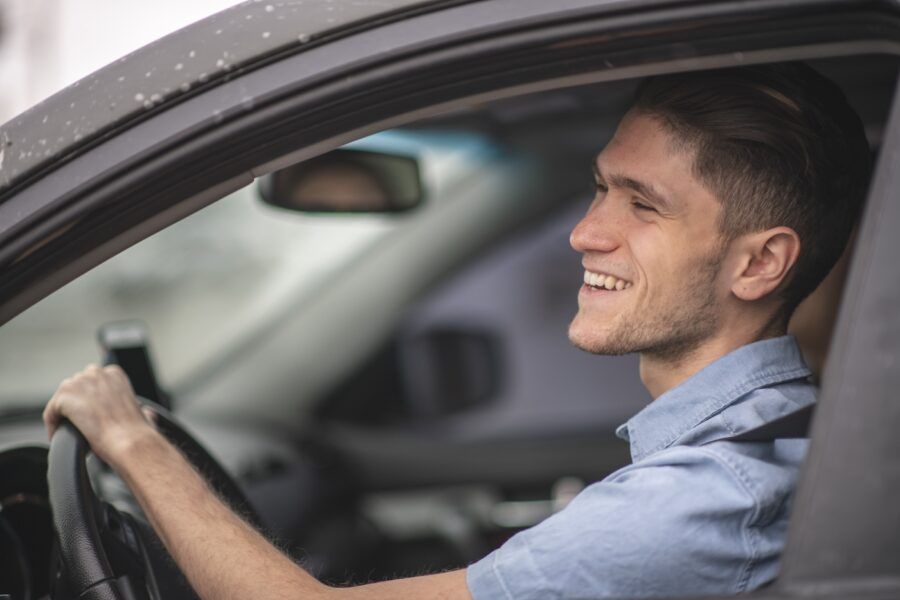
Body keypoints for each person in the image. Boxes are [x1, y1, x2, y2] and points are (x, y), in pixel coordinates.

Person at [43, 62, 871, 600]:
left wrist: (134, 442)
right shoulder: (775, 442)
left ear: (760, 265)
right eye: (598, 188)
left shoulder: (693, 505)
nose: (585, 233)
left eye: (643, 205)